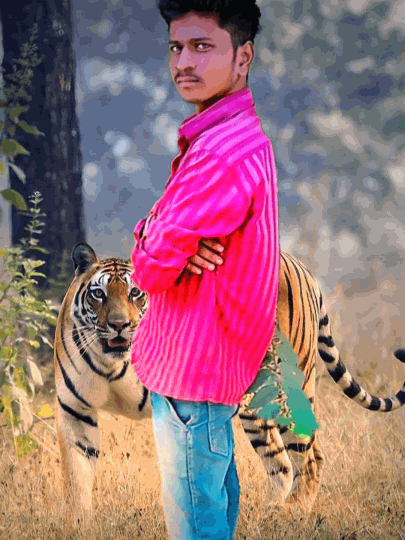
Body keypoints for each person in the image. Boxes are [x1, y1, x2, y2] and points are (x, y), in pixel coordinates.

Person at [130, 1, 279, 538]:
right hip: (210, 372)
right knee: (212, 503)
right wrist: (165, 238)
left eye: (201, 47)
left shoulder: (218, 155)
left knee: (196, 523)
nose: (183, 63)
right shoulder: (235, 136)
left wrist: (156, 239)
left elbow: (148, 271)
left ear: (243, 57)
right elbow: (162, 242)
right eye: (176, 47)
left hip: (192, 375)